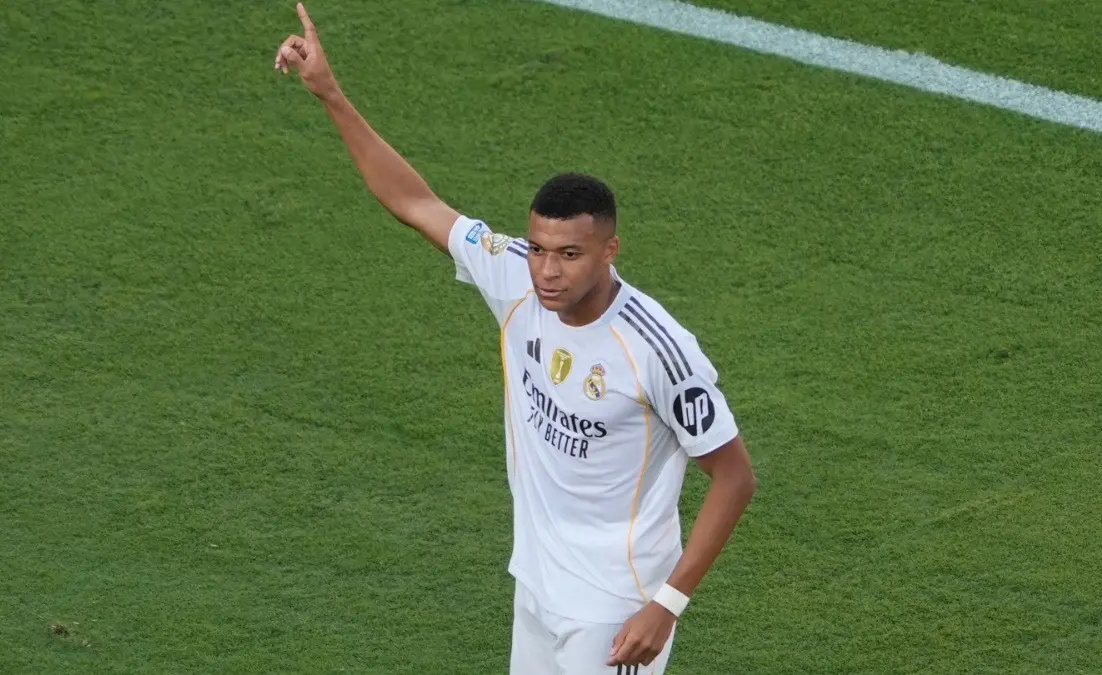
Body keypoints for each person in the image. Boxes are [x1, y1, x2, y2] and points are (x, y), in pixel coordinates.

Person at [274, 4, 757, 673]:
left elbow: (734, 476)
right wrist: (330, 92)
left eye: (569, 254)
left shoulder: (657, 348)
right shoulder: (515, 278)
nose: (547, 271)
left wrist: (669, 601)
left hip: (619, 605)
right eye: (538, 248)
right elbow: (416, 202)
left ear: (610, 249)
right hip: (535, 587)